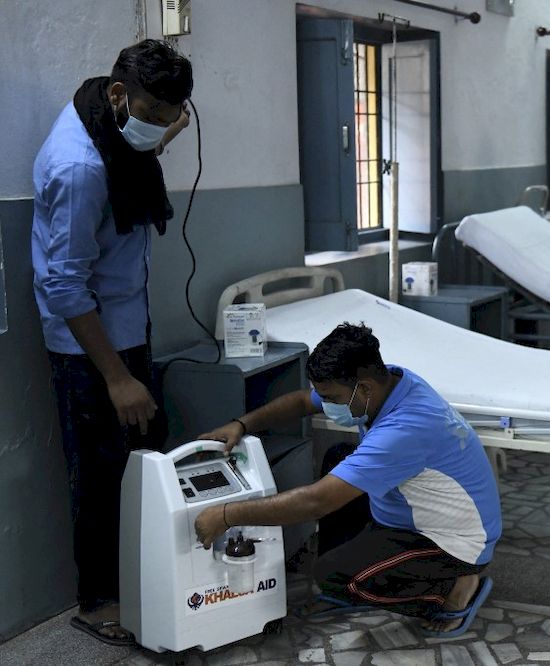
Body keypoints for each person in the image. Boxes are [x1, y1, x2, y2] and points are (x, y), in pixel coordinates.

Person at [31, 40, 192, 645]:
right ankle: (97, 600)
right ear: (120, 96)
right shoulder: (79, 167)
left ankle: (142, 577)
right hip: (89, 349)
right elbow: (65, 285)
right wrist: (117, 377)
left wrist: (165, 126)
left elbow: (143, 140)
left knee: (143, 455)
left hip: (127, 325)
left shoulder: (109, 121)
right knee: (99, 477)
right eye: (151, 115)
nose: (159, 127)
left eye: (171, 114)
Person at [194, 323, 502, 638]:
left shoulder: (405, 429)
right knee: (339, 457)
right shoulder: (391, 381)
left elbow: (317, 502)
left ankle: (453, 588)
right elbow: (303, 401)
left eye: (331, 397)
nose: (325, 405)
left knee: (335, 577)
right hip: (412, 512)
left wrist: (226, 515)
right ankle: (358, 571)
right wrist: (242, 424)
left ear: (365, 388)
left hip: (450, 543)